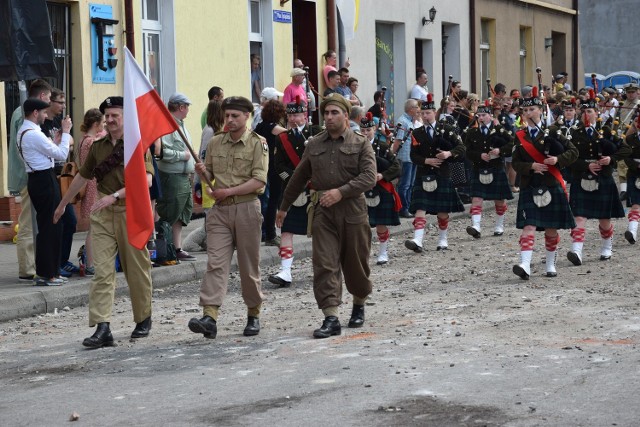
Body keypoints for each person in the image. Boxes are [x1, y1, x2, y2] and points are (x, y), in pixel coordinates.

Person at [54, 96, 154, 347]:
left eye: (114, 115)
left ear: (125, 117)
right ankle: (103, 327)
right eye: (106, 116)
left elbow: (147, 181)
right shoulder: (98, 147)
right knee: (102, 273)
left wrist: (116, 195)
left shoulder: (137, 144)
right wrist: (63, 203)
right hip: (103, 214)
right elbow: (81, 177)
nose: (109, 120)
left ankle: (143, 319)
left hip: (131, 211)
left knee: (136, 270)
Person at [276, 93, 376, 338]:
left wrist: (341, 192)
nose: (329, 118)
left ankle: (358, 304)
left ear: (345, 115)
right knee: (324, 264)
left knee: (356, 264)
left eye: (335, 113)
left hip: (353, 211)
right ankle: (330, 317)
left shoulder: (360, 142)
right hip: (323, 213)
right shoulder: (314, 144)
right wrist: (283, 206)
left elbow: (369, 177)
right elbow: (299, 176)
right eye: (326, 113)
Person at [189, 96, 268, 339]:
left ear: (247, 116)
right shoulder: (215, 143)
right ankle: (209, 316)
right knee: (215, 264)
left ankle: (253, 314)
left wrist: (228, 191)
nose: (230, 120)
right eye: (227, 116)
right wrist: (203, 172)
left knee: (248, 266)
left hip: (246, 209)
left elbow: (259, 181)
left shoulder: (258, 143)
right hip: (220, 212)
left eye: (235, 116)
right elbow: (210, 175)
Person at [511, 87, 578, 279]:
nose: (528, 113)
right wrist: (531, 166)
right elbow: (515, 163)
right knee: (529, 226)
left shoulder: (554, 132)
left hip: (550, 183)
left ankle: (550, 263)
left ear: (540, 110)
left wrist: (557, 160)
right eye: (524, 111)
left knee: (550, 228)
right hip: (530, 185)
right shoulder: (519, 136)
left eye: (531, 109)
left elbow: (573, 152)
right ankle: (524, 264)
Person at [566, 91, 629, 265]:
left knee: (604, 219)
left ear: (597, 112)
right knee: (579, 216)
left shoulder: (606, 130)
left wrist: (611, 159)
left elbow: (626, 150)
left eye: (590, 112)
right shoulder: (574, 133)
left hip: (603, 180)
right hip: (581, 179)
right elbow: (568, 158)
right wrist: (585, 165)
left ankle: (607, 247)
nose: (587, 115)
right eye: (584, 112)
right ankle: (577, 251)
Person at [268, 97, 321, 287]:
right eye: (290, 115)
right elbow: (279, 165)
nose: (292, 119)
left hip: (315, 189)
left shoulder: (317, 132)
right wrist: (294, 180)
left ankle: (323, 268)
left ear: (304, 115)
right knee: (286, 230)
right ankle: (285, 271)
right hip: (291, 190)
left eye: (296, 114)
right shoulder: (281, 138)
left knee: (320, 230)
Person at [18, 98, 71, 286]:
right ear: (35, 113)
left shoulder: (28, 131)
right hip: (43, 179)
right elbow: (61, 155)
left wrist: (55, 141)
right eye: (44, 112)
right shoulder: (33, 133)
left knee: (51, 225)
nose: (46, 115)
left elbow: (49, 151)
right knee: (51, 224)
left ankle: (51, 271)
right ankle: (48, 274)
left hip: (39, 179)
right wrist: (65, 133)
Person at [404, 95, 465, 253]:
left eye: (428, 113)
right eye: (422, 113)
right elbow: (413, 156)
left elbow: (461, 148)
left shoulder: (446, 129)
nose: (425, 116)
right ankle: (418, 240)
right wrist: (426, 161)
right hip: (424, 174)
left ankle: (442, 239)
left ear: (434, 113)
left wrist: (448, 154)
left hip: (442, 174)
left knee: (442, 211)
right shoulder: (417, 133)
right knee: (420, 207)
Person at [8, 79, 52, 281]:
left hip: (29, 173)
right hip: (28, 175)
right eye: (49, 98)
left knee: (32, 219)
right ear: (41, 97)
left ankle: (32, 264)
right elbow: (23, 150)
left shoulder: (21, 112)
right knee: (27, 221)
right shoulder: (22, 115)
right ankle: (27, 267)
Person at [41, 89, 79, 278]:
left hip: (63, 176)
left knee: (70, 221)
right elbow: (54, 148)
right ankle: (55, 264)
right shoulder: (42, 123)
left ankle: (62, 260)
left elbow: (70, 140)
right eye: (60, 102)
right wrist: (61, 140)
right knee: (59, 221)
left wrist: (63, 138)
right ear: (50, 103)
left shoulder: (58, 122)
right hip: (50, 176)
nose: (63, 106)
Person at [464, 100, 514, 238]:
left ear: (490, 116)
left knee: (499, 200)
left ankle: (499, 225)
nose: (480, 118)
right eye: (478, 115)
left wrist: (500, 151)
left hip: (496, 167)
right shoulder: (472, 132)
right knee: (476, 198)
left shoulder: (499, 130)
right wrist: (479, 155)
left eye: (483, 115)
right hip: (479, 168)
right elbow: (467, 151)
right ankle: (476, 226)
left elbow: (513, 143)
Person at [157, 93, 197, 262]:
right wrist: (183, 156)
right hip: (172, 176)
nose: (188, 110)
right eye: (187, 107)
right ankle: (163, 248)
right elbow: (161, 152)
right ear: (181, 107)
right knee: (170, 212)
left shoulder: (180, 125)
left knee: (181, 213)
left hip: (183, 176)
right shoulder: (166, 125)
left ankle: (177, 247)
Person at [361, 113, 401, 264]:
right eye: (362, 130)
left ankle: (383, 252)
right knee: (361, 224)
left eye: (368, 130)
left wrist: (382, 175)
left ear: (374, 129)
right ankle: (364, 253)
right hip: (361, 189)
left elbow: (397, 167)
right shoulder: (355, 145)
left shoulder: (382, 146)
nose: (365, 133)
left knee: (380, 223)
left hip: (381, 188)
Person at [77, 108, 106, 276]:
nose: (104, 126)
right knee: (94, 228)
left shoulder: (84, 139)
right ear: (96, 124)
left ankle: (92, 261)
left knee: (95, 227)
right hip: (93, 184)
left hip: (90, 183)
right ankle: (90, 264)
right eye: (102, 123)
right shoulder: (90, 142)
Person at [254, 99, 287, 246]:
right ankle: (271, 234)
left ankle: (265, 232)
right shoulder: (274, 127)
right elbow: (290, 134)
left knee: (264, 201)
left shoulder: (260, 126)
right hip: (273, 167)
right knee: (273, 201)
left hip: (261, 165)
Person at [392, 99, 421, 218]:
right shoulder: (403, 121)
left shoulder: (411, 121)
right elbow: (398, 140)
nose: (418, 109)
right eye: (416, 107)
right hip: (405, 157)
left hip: (412, 157)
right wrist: (393, 155)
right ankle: (402, 208)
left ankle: (408, 206)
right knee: (404, 184)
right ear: (411, 109)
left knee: (411, 184)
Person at [617, 83, 640, 200]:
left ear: (637, 92)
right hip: (622, 135)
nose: (630, 94)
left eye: (633, 92)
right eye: (628, 92)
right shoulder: (622, 105)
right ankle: (624, 190)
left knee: (633, 161)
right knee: (621, 161)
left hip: (635, 136)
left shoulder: (638, 105)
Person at [623, 115, 640, 244]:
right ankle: (632, 231)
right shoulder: (629, 139)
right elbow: (626, 157)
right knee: (636, 203)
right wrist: (637, 166)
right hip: (635, 174)